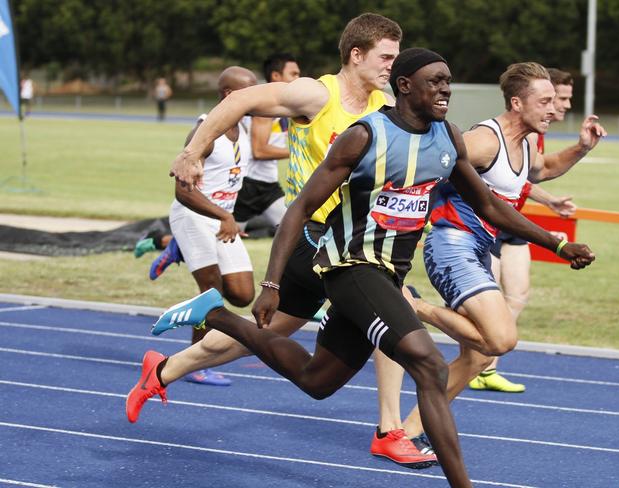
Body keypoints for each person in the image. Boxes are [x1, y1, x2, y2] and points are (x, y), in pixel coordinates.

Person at [144, 49, 595, 488]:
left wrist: (556, 242)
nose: (445, 89)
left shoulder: (448, 138)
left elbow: (490, 207)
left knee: (316, 380)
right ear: (404, 86)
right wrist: (270, 283)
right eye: (434, 81)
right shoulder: (365, 135)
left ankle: (215, 315)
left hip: (389, 273)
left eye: (447, 81)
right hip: (350, 266)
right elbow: (300, 209)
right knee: (430, 366)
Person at [128, 13, 443, 469]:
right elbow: (239, 100)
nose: (393, 66)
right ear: (356, 55)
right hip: (312, 240)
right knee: (396, 306)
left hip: (352, 241)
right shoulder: (317, 94)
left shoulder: (386, 103)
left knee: (261, 337)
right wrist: (192, 151)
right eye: (386, 57)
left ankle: (162, 370)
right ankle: (389, 430)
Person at [387, 62, 604, 450]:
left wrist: (582, 148)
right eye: (546, 101)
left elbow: (545, 168)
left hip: (477, 251)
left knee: (474, 359)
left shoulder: (526, 142)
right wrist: (411, 222)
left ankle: (409, 432)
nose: (554, 109)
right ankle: (414, 306)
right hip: (452, 245)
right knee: (500, 340)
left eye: (555, 101)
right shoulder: (486, 140)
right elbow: (430, 163)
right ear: (517, 103)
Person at [468, 67, 577, 392]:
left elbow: (528, 175)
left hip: (515, 221)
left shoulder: (535, 133)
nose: (564, 106)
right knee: (494, 301)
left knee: (518, 293)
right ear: (523, 102)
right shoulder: (500, 134)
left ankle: (487, 367)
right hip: (488, 224)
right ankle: (474, 359)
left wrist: (549, 202)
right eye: (559, 98)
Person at [164, 66, 259, 385]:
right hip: (194, 217)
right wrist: (224, 215)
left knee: (243, 294)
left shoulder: (243, 129)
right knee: (212, 292)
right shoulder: (205, 132)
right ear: (229, 95)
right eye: (250, 91)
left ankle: (174, 249)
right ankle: (195, 363)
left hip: (222, 220)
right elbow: (182, 189)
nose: (257, 97)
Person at [233, 53, 301, 234]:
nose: (298, 79)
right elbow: (259, 150)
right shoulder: (266, 106)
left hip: (268, 186)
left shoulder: (284, 106)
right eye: (293, 74)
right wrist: (297, 151)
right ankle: (172, 246)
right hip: (248, 186)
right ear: (276, 76)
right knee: (225, 238)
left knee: (292, 232)